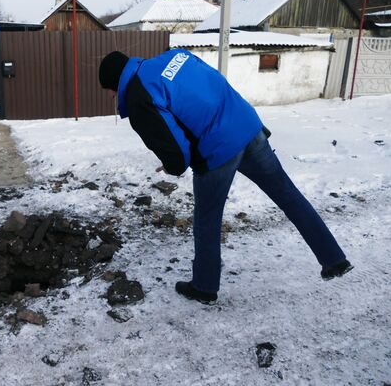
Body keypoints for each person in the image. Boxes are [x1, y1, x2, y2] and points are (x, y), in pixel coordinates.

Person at [98, 50, 353, 304]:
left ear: (116, 83)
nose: (111, 96)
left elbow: (174, 152)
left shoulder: (138, 95)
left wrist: (171, 166)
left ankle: (204, 287)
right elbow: (215, 83)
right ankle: (334, 259)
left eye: (109, 90)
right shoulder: (173, 56)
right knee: (289, 196)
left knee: (207, 221)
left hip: (217, 150)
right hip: (247, 127)